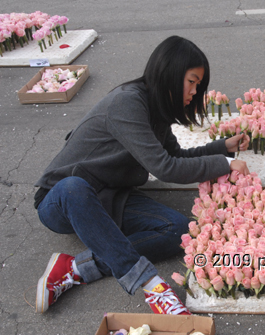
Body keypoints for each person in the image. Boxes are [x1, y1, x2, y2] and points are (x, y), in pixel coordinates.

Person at [33, 35, 250, 315]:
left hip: (111, 194)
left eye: (198, 85)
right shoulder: (127, 104)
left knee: (179, 230)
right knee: (74, 187)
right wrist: (223, 163)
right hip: (61, 200)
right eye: (192, 81)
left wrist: (221, 148)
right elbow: (165, 168)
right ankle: (149, 284)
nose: (195, 91)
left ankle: (74, 267)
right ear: (170, 73)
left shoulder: (156, 108)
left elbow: (175, 157)